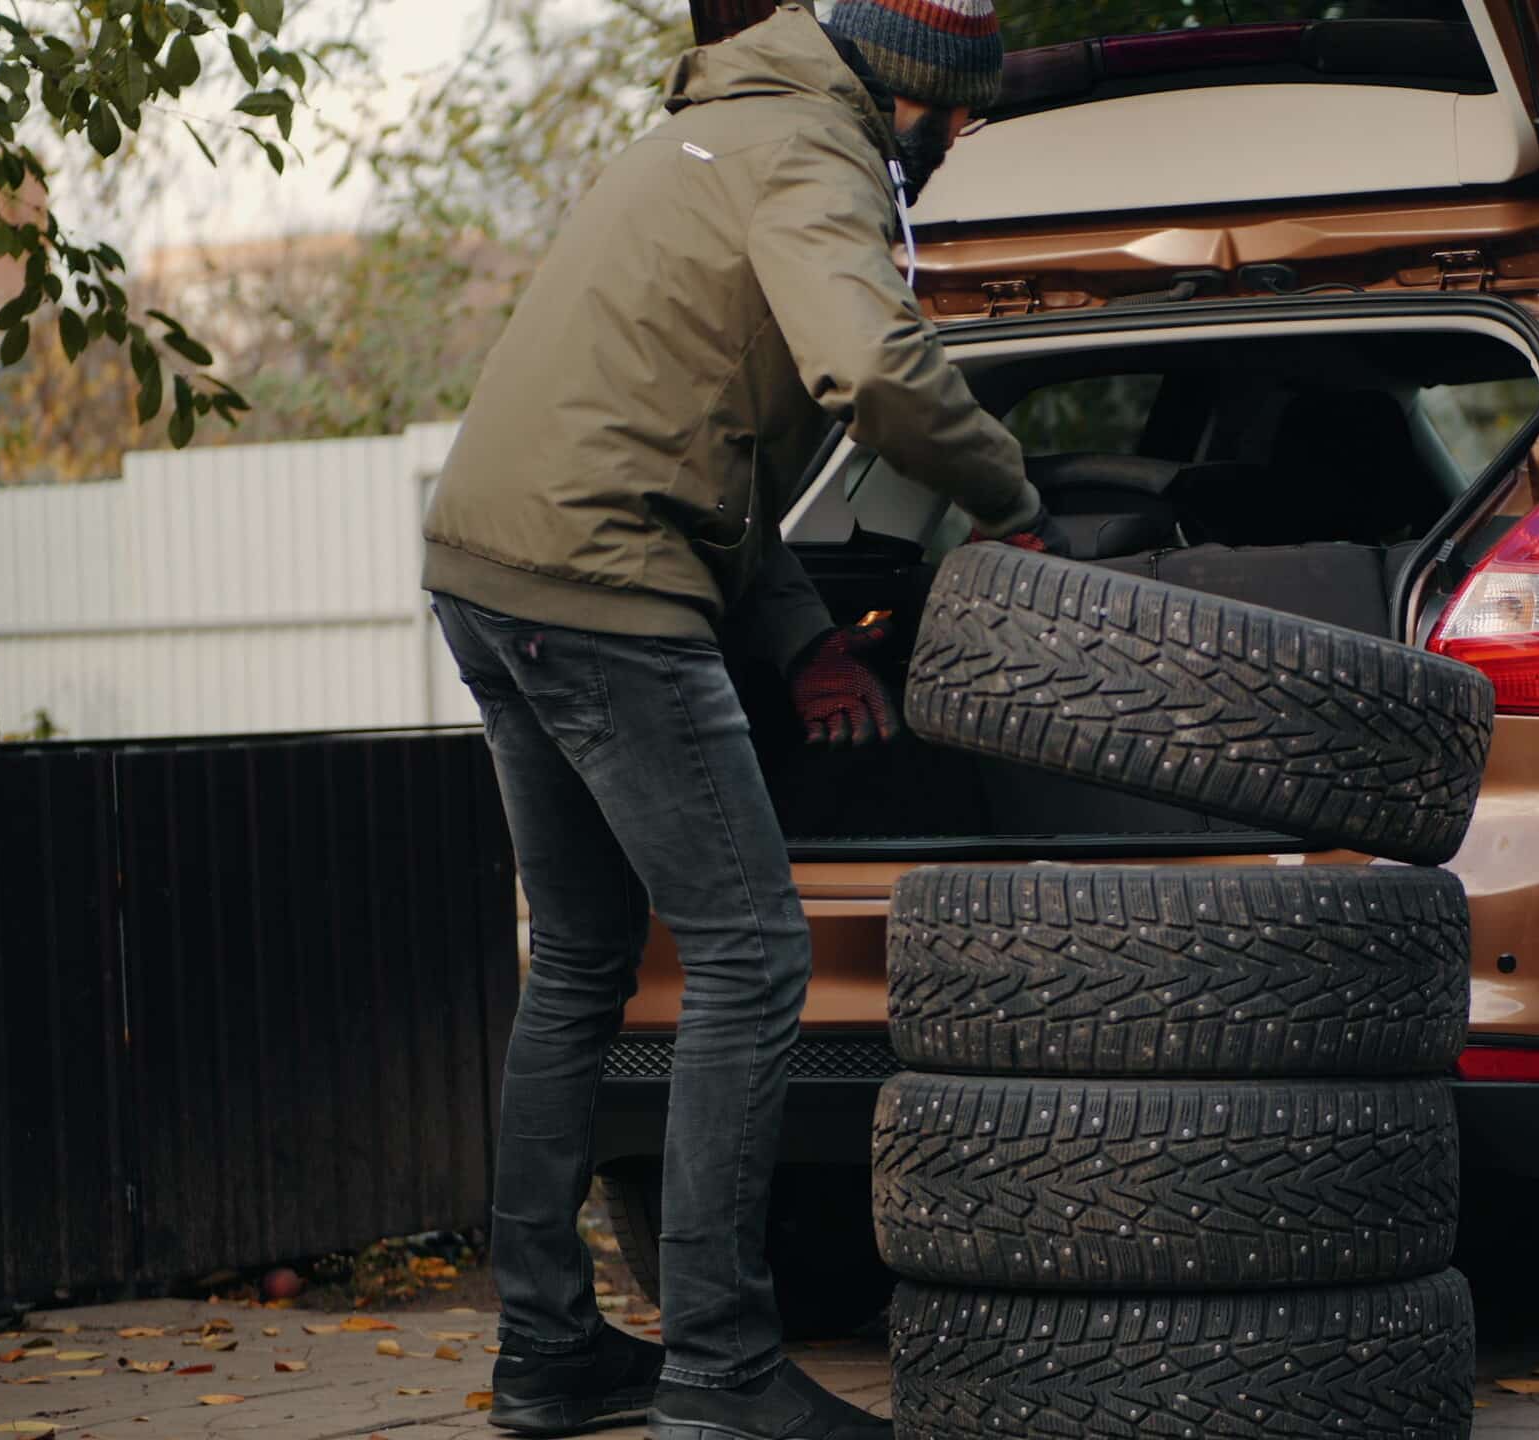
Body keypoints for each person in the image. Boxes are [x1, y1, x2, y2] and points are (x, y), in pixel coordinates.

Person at [420, 1, 1059, 1436]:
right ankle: (718, 1367)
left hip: (489, 570)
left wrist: (808, 643)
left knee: (582, 960)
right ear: (904, 95)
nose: (956, 140)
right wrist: (1020, 504)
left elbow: (696, 444)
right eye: (957, 115)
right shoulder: (814, 158)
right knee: (755, 953)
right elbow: (878, 373)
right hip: (605, 591)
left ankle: (549, 1356)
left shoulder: (705, 136)